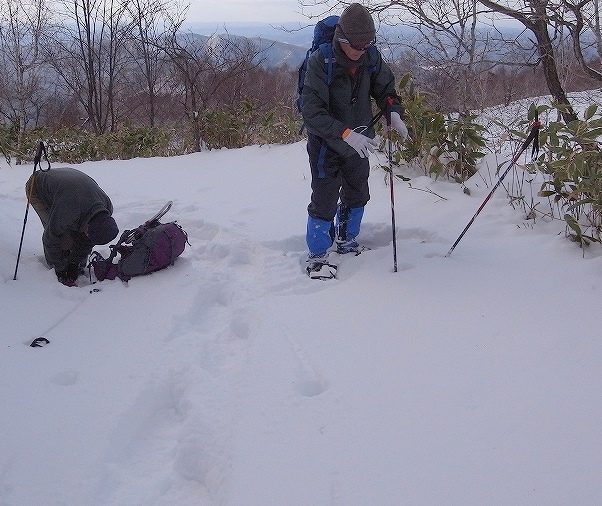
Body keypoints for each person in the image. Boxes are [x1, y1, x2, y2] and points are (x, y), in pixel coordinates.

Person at [300, 2, 408, 278]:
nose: (362, 51)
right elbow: (312, 111)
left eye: (367, 45)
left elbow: (386, 89)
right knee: (324, 199)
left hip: (360, 140)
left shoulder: (370, 57)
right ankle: (318, 255)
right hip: (327, 142)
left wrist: (393, 112)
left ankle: (347, 242)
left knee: (358, 193)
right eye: (357, 46)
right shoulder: (320, 62)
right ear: (342, 39)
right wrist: (344, 134)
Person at [26, 167, 119, 286]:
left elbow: (87, 240)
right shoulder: (68, 214)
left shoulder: (106, 208)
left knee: (75, 237)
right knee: (63, 241)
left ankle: (71, 261)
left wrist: (74, 263)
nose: (87, 237)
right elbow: (50, 238)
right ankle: (56, 267)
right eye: (88, 234)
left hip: (69, 183)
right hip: (38, 184)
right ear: (88, 226)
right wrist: (60, 270)